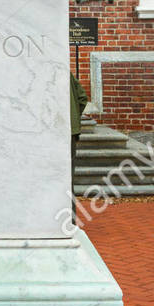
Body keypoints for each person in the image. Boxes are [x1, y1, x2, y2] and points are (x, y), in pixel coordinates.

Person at [70, 71, 88, 211]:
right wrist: (74, 117)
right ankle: (70, 218)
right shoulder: (64, 71)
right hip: (70, 130)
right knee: (68, 178)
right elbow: (82, 98)